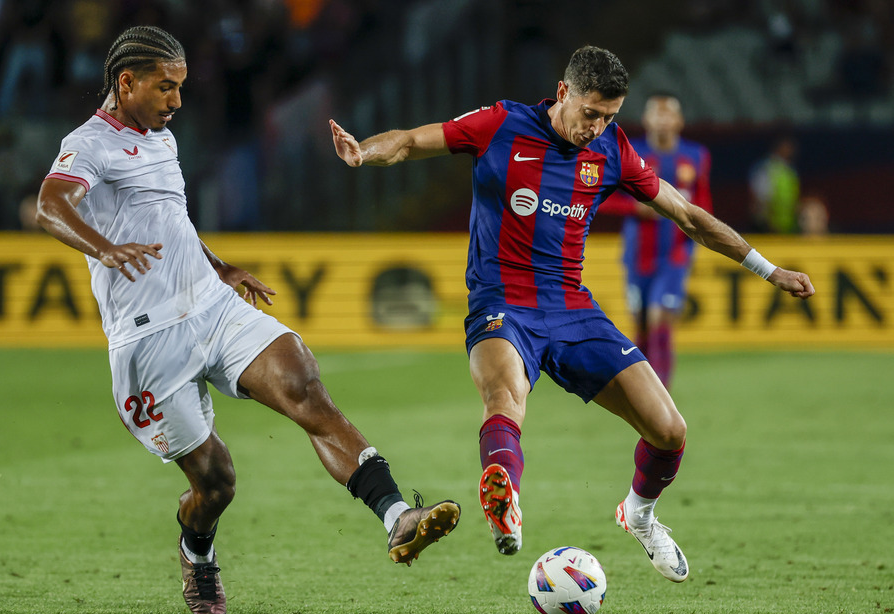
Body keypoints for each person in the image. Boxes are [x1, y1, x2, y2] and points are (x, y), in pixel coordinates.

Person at [330, 45, 814, 584]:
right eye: (591, 113)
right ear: (564, 93)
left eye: (610, 116)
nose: (598, 127)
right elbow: (410, 143)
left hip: (572, 308)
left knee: (670, 432)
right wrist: (364, 153)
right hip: (501, 303)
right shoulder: (501, 124)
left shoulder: (613, 150)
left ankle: (639, 514)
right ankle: (505, 498)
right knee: (504, 394)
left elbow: (690, 217)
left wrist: (770, 270)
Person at [36, 26, 460, 614]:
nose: (177, 101)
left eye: (181, 87)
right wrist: (103, 248)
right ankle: (197, 549)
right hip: (148, 340)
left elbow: (170, 220)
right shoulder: (89, 145)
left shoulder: (161, 139)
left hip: (210, 306)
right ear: (126, 81)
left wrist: (219, 264)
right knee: (217, 482)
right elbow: (50, 205)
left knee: (304, 387)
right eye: (166, 87)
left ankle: (397, 516)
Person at [600, 92, 711, 389]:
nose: (662, 119)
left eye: (668, 113)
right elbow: (602, 197)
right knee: (641, 327)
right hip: (638, 255)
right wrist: (633, 207)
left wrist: (700, 239)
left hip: (675, 255)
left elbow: (703, 204)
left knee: (660, 319)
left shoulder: (697, 156)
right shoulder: (628, 153)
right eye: (656, 113)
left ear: (679, 120)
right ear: (646, 119)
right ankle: (645, 396)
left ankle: (663, 395)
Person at [749, 136, 800, 234]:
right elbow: (761, 197)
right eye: (787, 147)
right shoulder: (767, 168)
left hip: (788, 223)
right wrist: (766, 219)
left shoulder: (789, 169)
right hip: (769, 224)